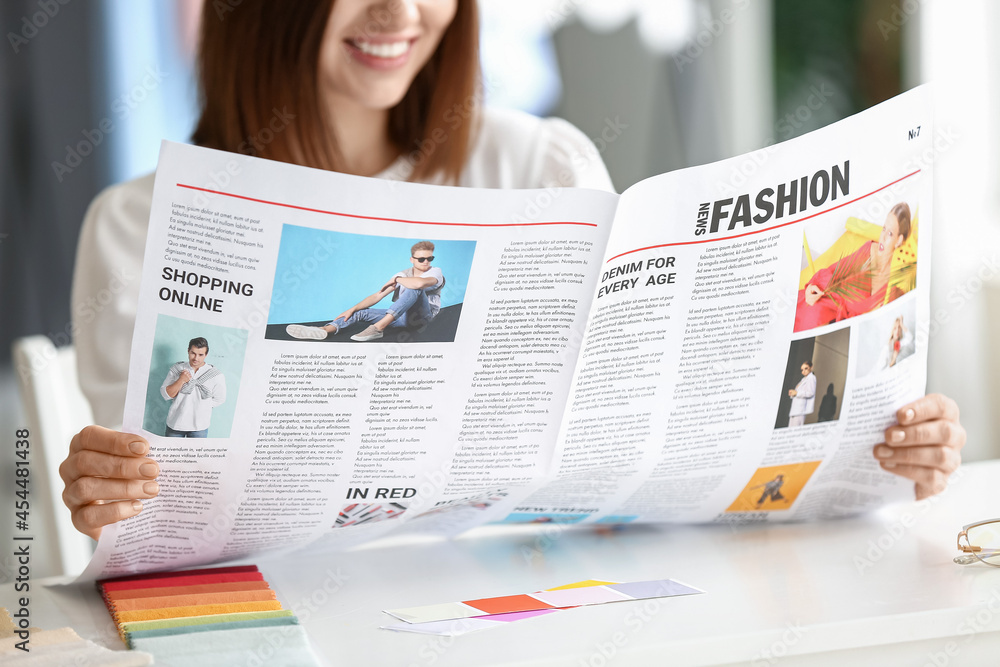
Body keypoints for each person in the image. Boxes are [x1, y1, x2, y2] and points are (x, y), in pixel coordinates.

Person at [59, 0, 966, 541]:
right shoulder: (138, 229)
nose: (402, 14)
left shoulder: (542, 171)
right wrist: (114, 494)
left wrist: (874, 454)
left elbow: (641, 447)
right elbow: (150, 520)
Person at [285, 241, 444, 342]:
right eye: (421, 259)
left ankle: (378, 329)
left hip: (422, 318)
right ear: (412, 260)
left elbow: (419, 284)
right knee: (361, 313)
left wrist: (396, 279)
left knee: (414, 288)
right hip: (400, 317)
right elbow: (377, 295)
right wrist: (352, 309)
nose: (426, 262)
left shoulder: (435, 271)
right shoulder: (403, 274)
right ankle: (325, 330)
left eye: (429, 258)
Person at [794, 203, 911, 332]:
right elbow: (834, 272)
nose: (882, 237)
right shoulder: (870, 251)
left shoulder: (895, 283)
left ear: (899, 240)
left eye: (889, 233)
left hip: (843, 328)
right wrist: (810, 288)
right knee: (813, 316)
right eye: (883, 229)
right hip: (823, 305)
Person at [160, 337, 227, 437]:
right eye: (193, 353)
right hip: (176, 423)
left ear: (206, 355)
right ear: (188, 351)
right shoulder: (177, 369)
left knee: (196, 452)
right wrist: (181, 379)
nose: (196, 358)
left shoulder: (215, 375)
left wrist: (202, 406)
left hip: (200, 426)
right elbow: (166, 395)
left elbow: (220, 399)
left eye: (201, 355)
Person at [787, 361, 817, 427]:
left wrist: (797, 393)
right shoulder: (803, 379)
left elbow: (810, 393)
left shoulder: (811, 378)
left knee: (795, 431)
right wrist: (793, 393)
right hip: (795, 409)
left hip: (800, 410)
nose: (803, 371)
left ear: (811, 367)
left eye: (806, 368)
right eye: (802, 370)